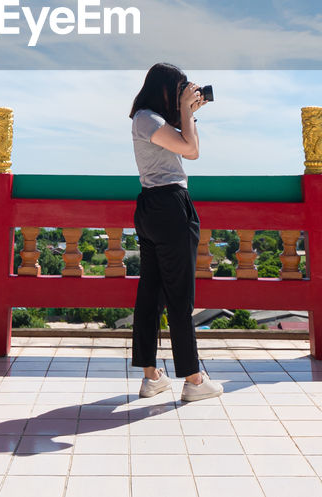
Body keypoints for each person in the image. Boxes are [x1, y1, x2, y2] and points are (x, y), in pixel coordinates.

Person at [128, 62, 224, 402]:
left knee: (151, 293)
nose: (184, 93)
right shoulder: (148, 119)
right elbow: (192, 151)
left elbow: (188, 146)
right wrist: (185, 111)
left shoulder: (149, 120)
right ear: (165, 88)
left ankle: (151, 376)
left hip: (153, 207)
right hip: (169, 205)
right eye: (180, 88)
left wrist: (189, 114)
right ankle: (194, 380)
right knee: (180, 296)